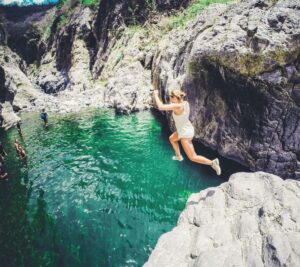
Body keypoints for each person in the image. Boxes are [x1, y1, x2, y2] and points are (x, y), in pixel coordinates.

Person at [153, 88, 221, 175]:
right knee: (172, 138)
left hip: (185, 133)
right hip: (186, 129)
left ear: (177, 97)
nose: (170, 97)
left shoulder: (177, 106)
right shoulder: (185, 103)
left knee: (193, 157)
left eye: (171, 96)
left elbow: (161, 107)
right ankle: (178, 156)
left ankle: (212, 163)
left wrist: (155, 95)